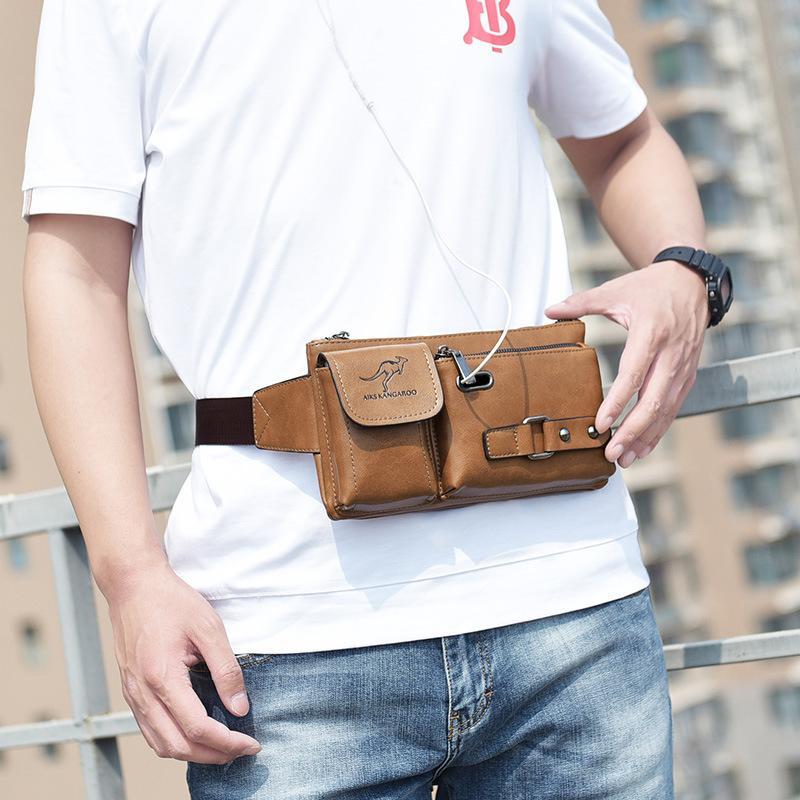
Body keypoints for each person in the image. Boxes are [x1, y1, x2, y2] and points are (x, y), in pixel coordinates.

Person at [20, 0, 715, 797]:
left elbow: (624, 138)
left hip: (574, 604)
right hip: (286, 641)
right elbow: (74, 273)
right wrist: (130, 575)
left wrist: (684, 270)